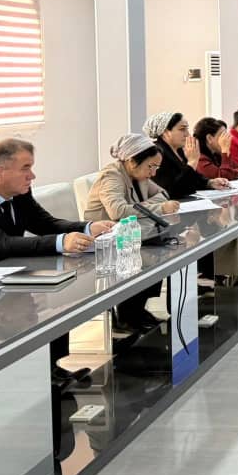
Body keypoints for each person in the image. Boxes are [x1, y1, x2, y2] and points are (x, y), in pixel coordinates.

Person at [0, 138, 114, 387]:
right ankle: (29, 380)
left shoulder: (19, 193)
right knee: (33, 312)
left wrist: (87, 227)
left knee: (57, 303)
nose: (32, 176)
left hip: (12, 273)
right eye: (25, 168)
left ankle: (52, 370)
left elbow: (45, 223)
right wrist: (61, 242)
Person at [83, 133, 180, 330]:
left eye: (156, 167)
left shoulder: (138, 175)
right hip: (106, 240)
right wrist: (158, 208)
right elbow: (117, 211)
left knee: (162, 250)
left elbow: (163, 194)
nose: (153, 173)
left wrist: (147, 205)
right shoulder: (112, 176)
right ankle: (127, 315)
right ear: (132, 161)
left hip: (133, 234)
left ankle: (137, 309)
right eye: (150, 166)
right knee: (152, 254)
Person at [192, 117, 238, 280]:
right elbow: (224, 176)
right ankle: (222, 270)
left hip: (220, 203)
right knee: (232, 224)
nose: (227, 138)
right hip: (205, 210)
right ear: (209, 138)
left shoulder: (214, 154)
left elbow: (233, 170)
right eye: (222, 135)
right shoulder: (200, 158)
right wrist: (225, 151)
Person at [143, 111, 228, 199]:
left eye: (187, 129)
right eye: (182, 129)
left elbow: (193, 178)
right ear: (166, 132)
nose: (187, 134)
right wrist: (192, 162)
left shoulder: (179, 150)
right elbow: (173, 190)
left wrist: (209, 183)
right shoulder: (156, 153)